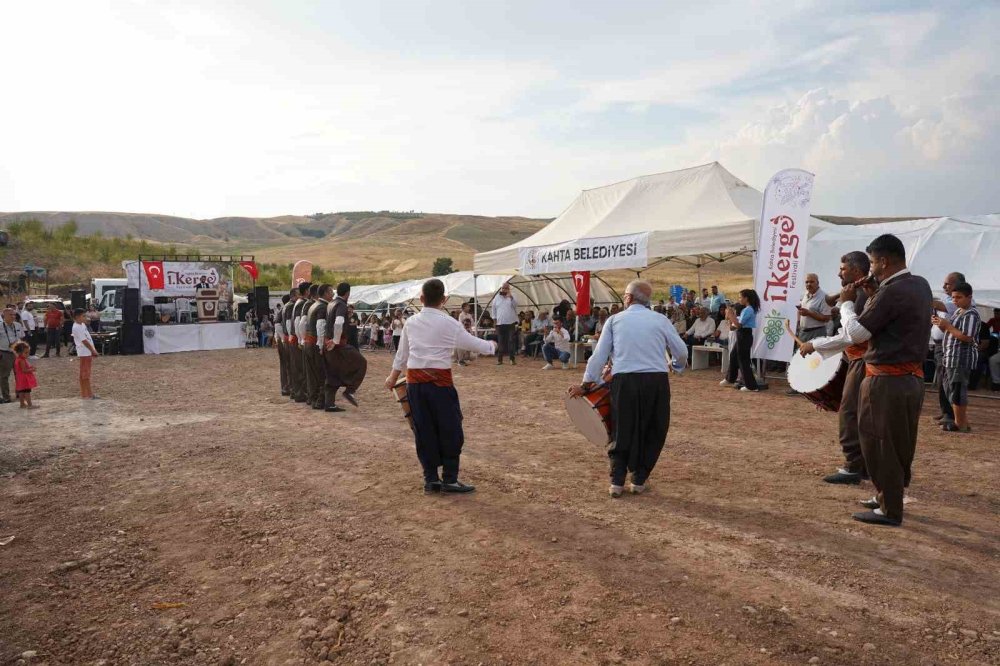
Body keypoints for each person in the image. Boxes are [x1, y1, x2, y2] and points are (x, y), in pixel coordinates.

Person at [836, 234, 932, 526]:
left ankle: (889, 509)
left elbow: (857, 334)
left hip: (886, 381)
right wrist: (876, 291)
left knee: (879, 441)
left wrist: (846, 305)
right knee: (900, 441)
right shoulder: (920, 284)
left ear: (884, 261)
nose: (872, 269)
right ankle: (887, 496)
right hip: (911, 378)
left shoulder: (891, 292)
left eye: (874, 263)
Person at [569, 280, 687, 498]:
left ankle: (616, 481)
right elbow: (681, 351)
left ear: (630, 298)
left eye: (624, 295)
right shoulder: (661, 320)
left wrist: (586, 384)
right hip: (656, 380)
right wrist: (677, 367)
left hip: (624, 381)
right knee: (653, 428)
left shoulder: (615, 320)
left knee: (622, 429)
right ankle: (639, 480)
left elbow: (599, 356)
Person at [384, 278, 497, 493]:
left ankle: (430, 479)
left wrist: (392, 378)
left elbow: (402, 355)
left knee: (423, 429)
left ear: (421, 298)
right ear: (444, 300)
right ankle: (450, 479)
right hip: (441, 386)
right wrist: (492, 345)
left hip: (415, 385)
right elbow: (473, 344)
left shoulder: (411, 323)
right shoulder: (449, 323)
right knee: (450, 429)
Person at [797, 251, 872, 485]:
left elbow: (853, 336)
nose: (838, 273)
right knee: (862, 415)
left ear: (856, 271)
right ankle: (865, 465)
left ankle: (853, 466)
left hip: (862, 361)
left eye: (843, 269)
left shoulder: (858, 296)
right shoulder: (859, 293)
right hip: (861, 360)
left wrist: (817, 344)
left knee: (850, 413)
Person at [934, 282, 980, 433]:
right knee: (950, 389)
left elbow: (967, 336)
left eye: (959, 297)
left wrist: (947, 326)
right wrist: (941, 325)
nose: (955, 301)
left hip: (960, 358)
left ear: (969, 297)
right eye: (953, 298)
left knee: (957, 389)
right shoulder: (959, 311)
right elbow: (953, 332)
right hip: (951, 357)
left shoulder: (971, 314)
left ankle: (960, 424)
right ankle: (962, 421)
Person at [324, 282, 367, 412]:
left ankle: (329, 404)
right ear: (348, 293)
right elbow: (338, 322)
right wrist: (336, 341)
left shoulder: (330, 303)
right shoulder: (341, 305)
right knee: (361, 362)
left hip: (327, 343)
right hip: (338, 344)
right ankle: (350, 390)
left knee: (333, 373)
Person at [721, 289, 761, 392]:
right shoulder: (746, 309)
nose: (739, 299)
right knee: (733, 356)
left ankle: (751, 386)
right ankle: (730, 378)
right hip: (741, 335)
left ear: (746, 298)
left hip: (745, 335)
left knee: (743, 360)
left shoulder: (749, 310)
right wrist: (730, 318)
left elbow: (739, 325)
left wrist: (731, 315)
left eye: (740, 297)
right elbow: (734, 326)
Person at [305, 284, 333, 410]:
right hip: (316, 342)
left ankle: (312, 398)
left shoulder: (313, 305)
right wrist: (321, 345)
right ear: (325, 293)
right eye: (331, 292)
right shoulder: (323, 306)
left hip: (308, 341)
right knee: (322, 373)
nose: (332, 294)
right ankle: (320, 401)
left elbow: (302, 323)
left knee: (312, 374)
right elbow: (320, 325)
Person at [72, 308, 99, 399]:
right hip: (84, 352)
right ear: (77, 317)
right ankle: (89, 394)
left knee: (84, 373)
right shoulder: (76, 327)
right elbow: (84, 341)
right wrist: (93, 350)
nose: (85, 317)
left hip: (86, 352)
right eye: (83, 316)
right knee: (85, 374)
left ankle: (85, 394)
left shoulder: (82, 324)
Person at [1, 308, 25, 403]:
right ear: (4, 316)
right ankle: (6, 397)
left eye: (14, 315)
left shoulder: (18, 325)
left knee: (19, 374)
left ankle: (20, 393)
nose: (13, 316)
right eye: (10, 315)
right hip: (4, 353)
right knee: (4, 376)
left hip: (17, 353)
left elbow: (21, 337)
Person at [491, 282, 518, 365]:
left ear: (509, 289)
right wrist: (495, 323)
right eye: (503, 288)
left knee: (511, 341)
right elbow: (494, 311)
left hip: (511, 323)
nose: (504, 290)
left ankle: (512, 359)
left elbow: (515, 305)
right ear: (501, 288)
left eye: (506, 288)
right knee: (501, 341)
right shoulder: (496, 298)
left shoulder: (512, 297)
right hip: (500, 324)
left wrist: (511, 297)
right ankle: (500, 360)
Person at [13, 341, 38, 408]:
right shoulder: (22, 360)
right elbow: (24, 370)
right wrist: (32, 370)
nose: (28, 354)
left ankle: (22, 404)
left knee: (21, 391)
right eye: (26, 353)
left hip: (20, 378)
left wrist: (30, 367)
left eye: (28, 352)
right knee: (27, 391)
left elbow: (21, 369)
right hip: (24, 378)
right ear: (19, 353)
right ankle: (30, 405)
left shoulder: (18, 359)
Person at [275, 294, 290, 396]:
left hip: (281, 340)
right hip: (283, 340)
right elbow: (277, 324)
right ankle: (286, 387)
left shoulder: (283, 310)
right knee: (287, 365)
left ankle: (286, 387)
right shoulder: (285, 310)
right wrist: (283, 337)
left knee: (285, 365)